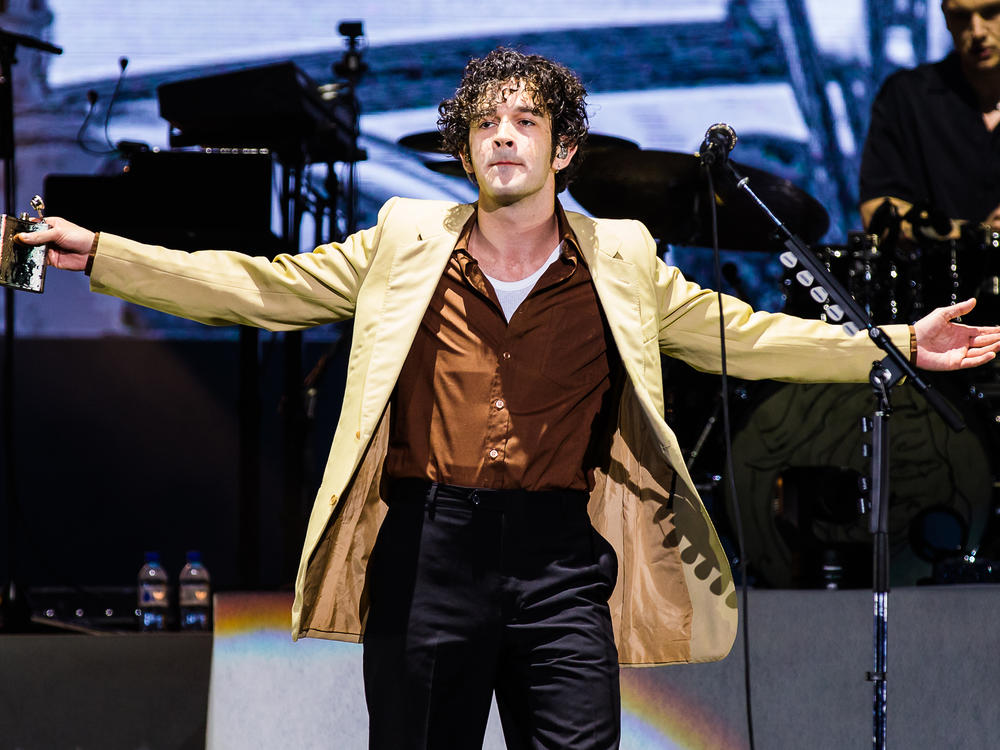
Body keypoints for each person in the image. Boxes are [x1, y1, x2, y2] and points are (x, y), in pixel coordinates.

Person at [21, 47, 1000, 750]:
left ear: (563, 148)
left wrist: (896, 341)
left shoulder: (622, 254)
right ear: (461, 150)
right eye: (482, 122)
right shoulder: (404, 234)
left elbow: (742, 336)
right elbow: (257, 287)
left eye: (523, 120)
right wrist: (104, 253)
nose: (501, 137)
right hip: (428, 548)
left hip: (561, 560)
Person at [860, 0, 1000, 239]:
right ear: (945, 17)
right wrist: (972, 235)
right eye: (961, 17)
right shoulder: (906, 97)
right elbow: (876, 213)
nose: (977, 31)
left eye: (990, 13)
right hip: (936, 273)